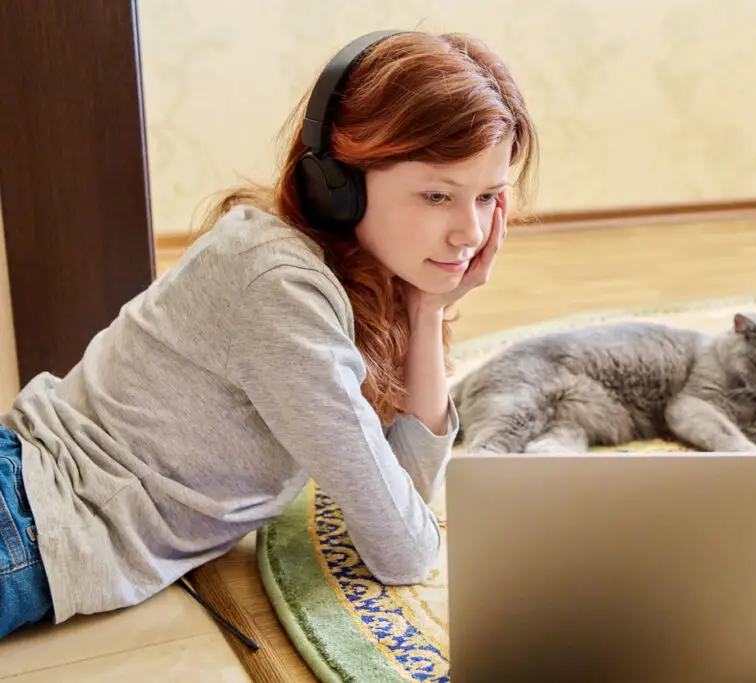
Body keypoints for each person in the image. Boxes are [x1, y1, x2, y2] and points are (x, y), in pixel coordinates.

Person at [0, 29, 537, 640]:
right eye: (438, 195)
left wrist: (428, 310)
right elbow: (405, 548)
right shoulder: (277, 286)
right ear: (338, 184)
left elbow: (404, 495)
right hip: (29, 521)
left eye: (489, 196)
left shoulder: (355, 272)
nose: (469, 233)